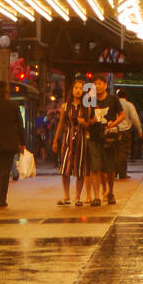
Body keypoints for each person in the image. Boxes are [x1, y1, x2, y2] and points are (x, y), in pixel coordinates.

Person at [52, 78, 91, 206]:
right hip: (67, 138)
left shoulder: (86, 107)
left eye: (80, 88)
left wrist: (83, 123)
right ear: (72, 90)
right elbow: (61, 123)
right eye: (76, 88)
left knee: (80, 168)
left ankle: (78, 197)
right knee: (65, 167)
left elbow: (89, 125)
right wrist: (55, 140)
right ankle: (66, 196)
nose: (78, 90)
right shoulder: (65, 106)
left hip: (81, 139)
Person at [88, 73, 125, 206]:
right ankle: (96, 196)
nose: (97, 86)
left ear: (105, 85)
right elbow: (86, 117)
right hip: (94, 137)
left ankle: (110, 192)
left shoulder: (113, 98)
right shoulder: (90, 99)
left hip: (109, 138)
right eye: (95, 84)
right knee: (95, 167)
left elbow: (122, 115)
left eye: (100, 84)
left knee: (109, 168)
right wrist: (90, 121)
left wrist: (113, 123)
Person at [115, 89, 142, 181]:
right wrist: (139, 130)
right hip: (125, 131)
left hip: (114, 131)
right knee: (123, 153)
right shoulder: (129, 105)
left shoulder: (113, 104)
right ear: (126, 96)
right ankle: (122, 173)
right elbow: (135, 118)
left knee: (114, 152)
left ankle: (113, 173)